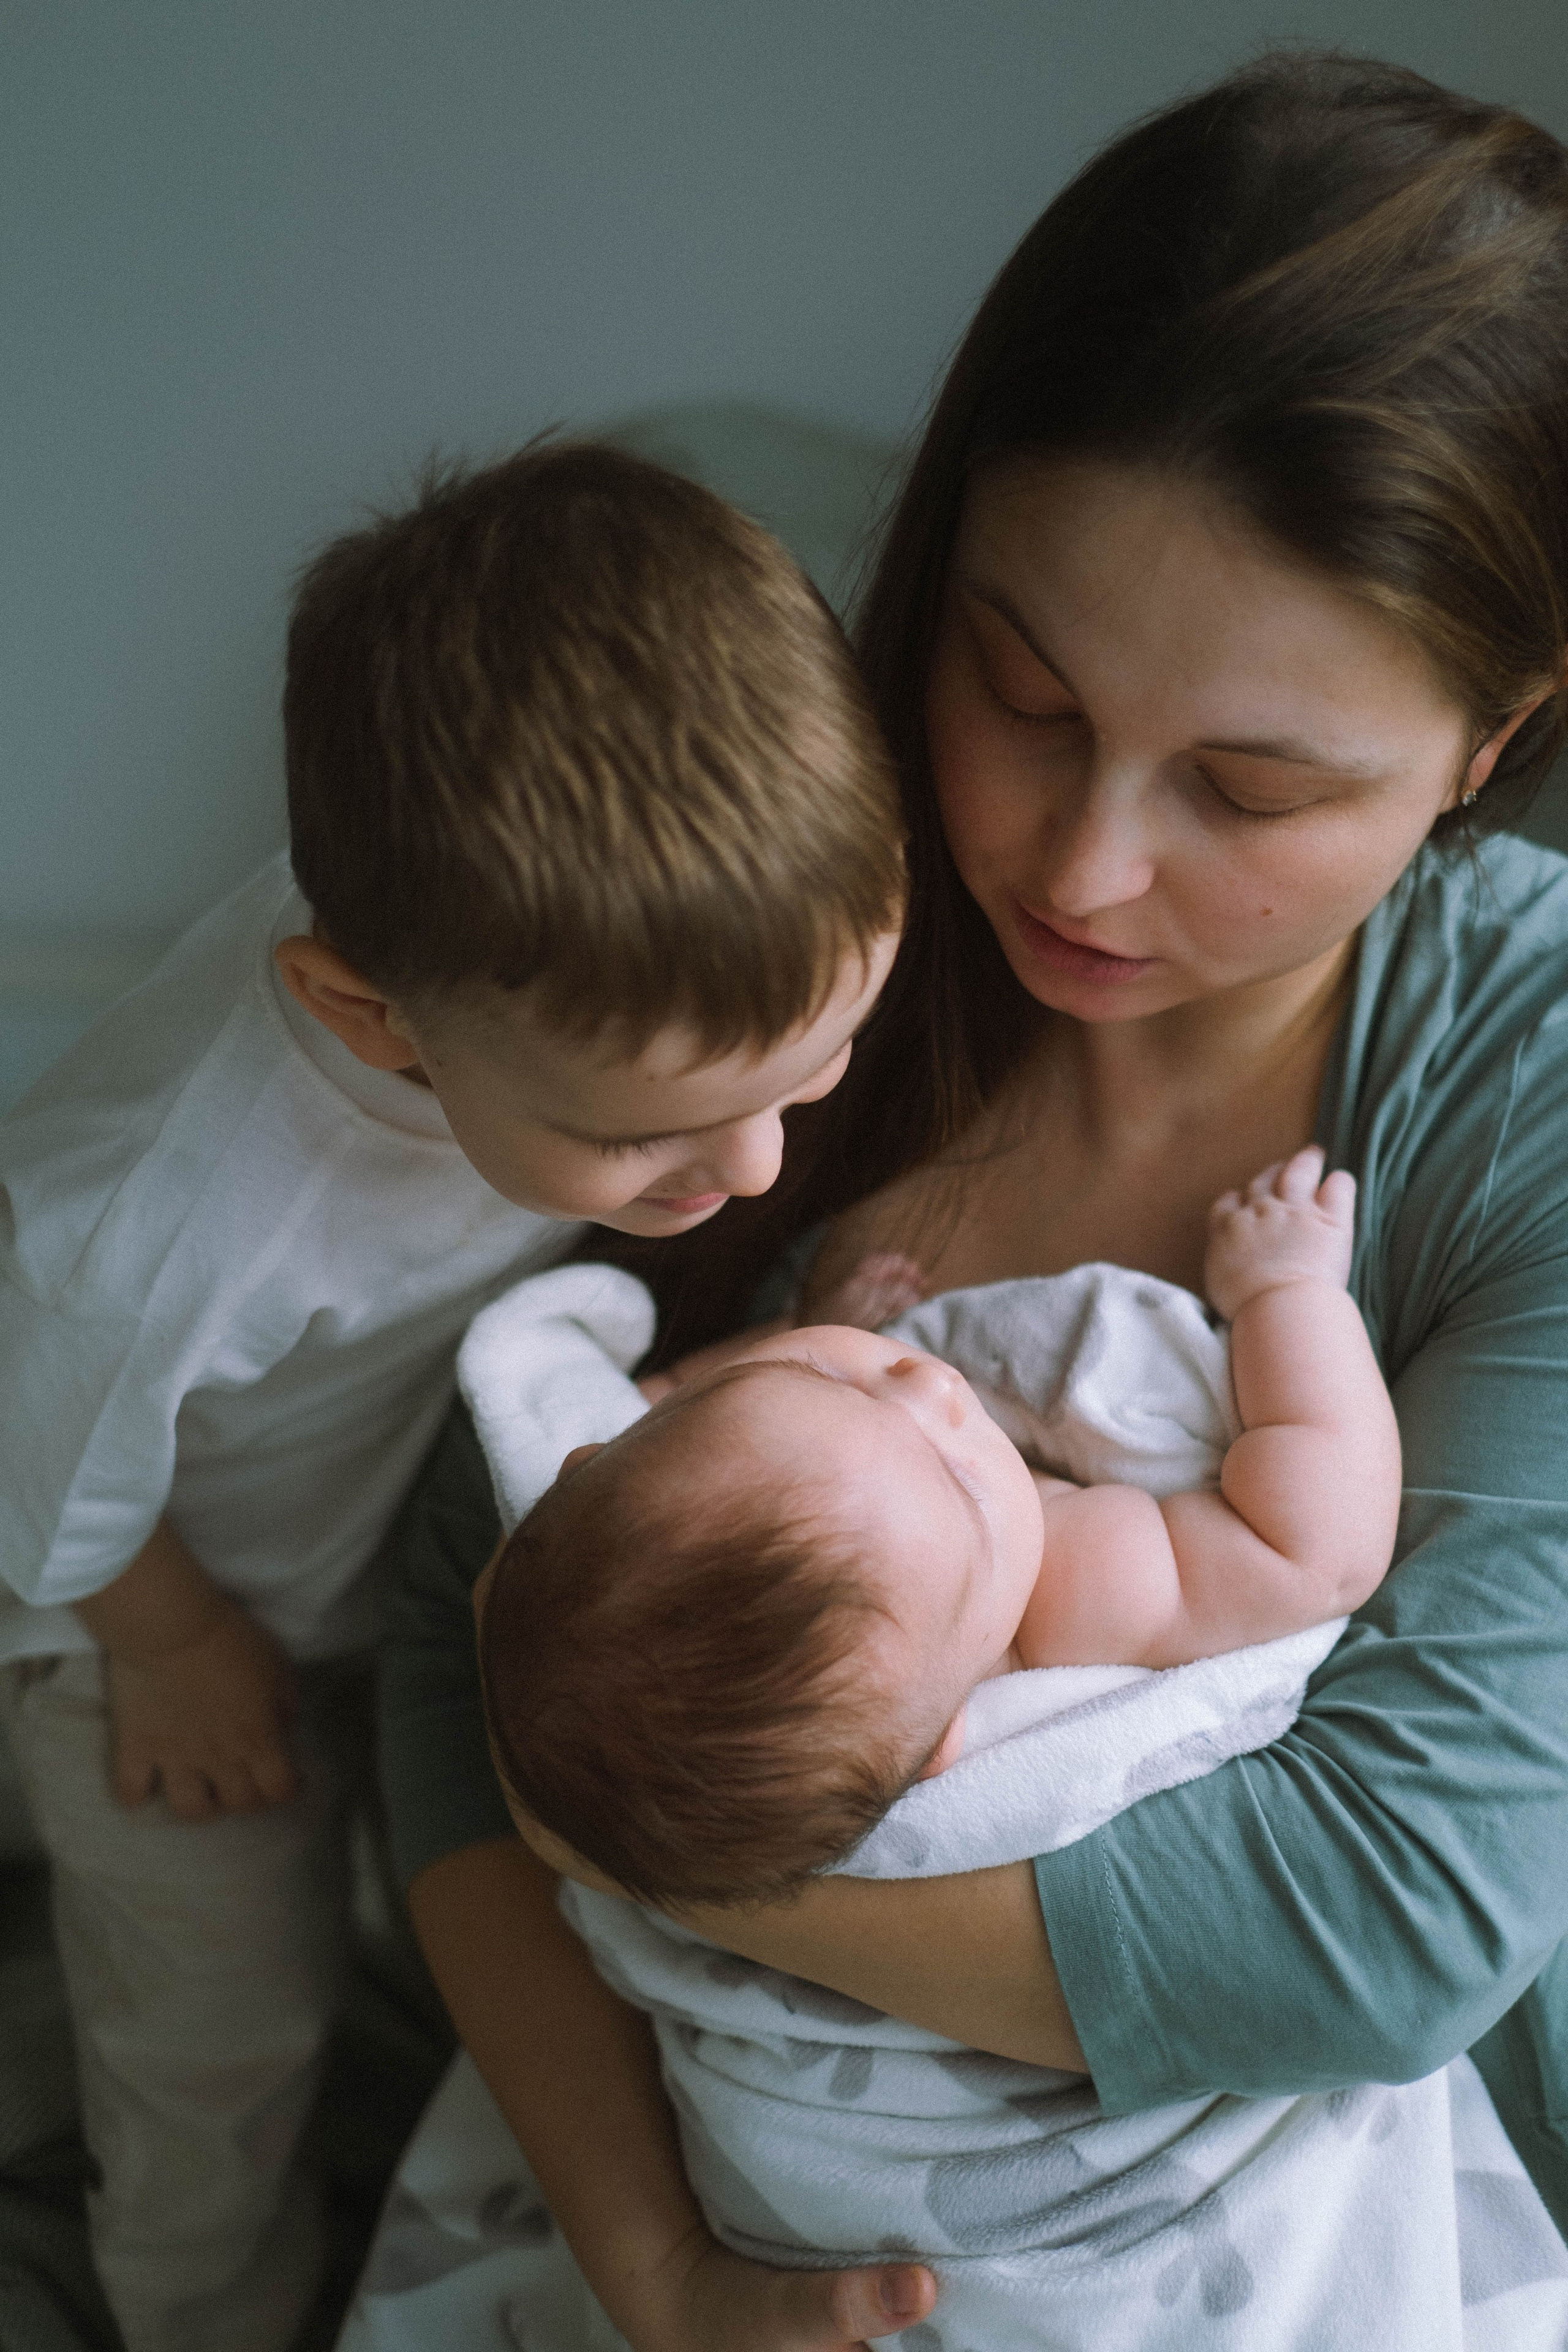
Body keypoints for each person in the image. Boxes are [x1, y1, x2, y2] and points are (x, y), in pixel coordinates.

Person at [368, 50, 1568, 2352]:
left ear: (1490, 747)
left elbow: (1385, 1927)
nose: (1081, 868)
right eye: (1017, 691)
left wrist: (640, 1836)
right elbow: (466, 1638)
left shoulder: (1518, 1093)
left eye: (1250, 787)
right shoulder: (784, 887)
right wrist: (662, 2272)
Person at [0, 442, 903, 2352]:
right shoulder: (163, 1210)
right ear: (366, 1017)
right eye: (651, 1135)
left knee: (367, 1957)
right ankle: (194, 2309)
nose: (746, 1168)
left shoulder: (552, 991)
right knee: (206, 2052)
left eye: (811, 1070)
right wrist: (166, 1643)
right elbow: (26, 1445)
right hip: (142, 1633)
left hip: (352, 1560)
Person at [481, 1147, 1398, 1910]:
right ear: (946, 1743)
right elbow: (1310, 1553)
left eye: (822, 1381)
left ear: (589, 1455)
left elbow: (680, 1402)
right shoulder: (1064, 1592)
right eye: (961, 1485)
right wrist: (1286, 1294)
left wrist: (815, 1324)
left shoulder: (710, 1472)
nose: (931, 1386)